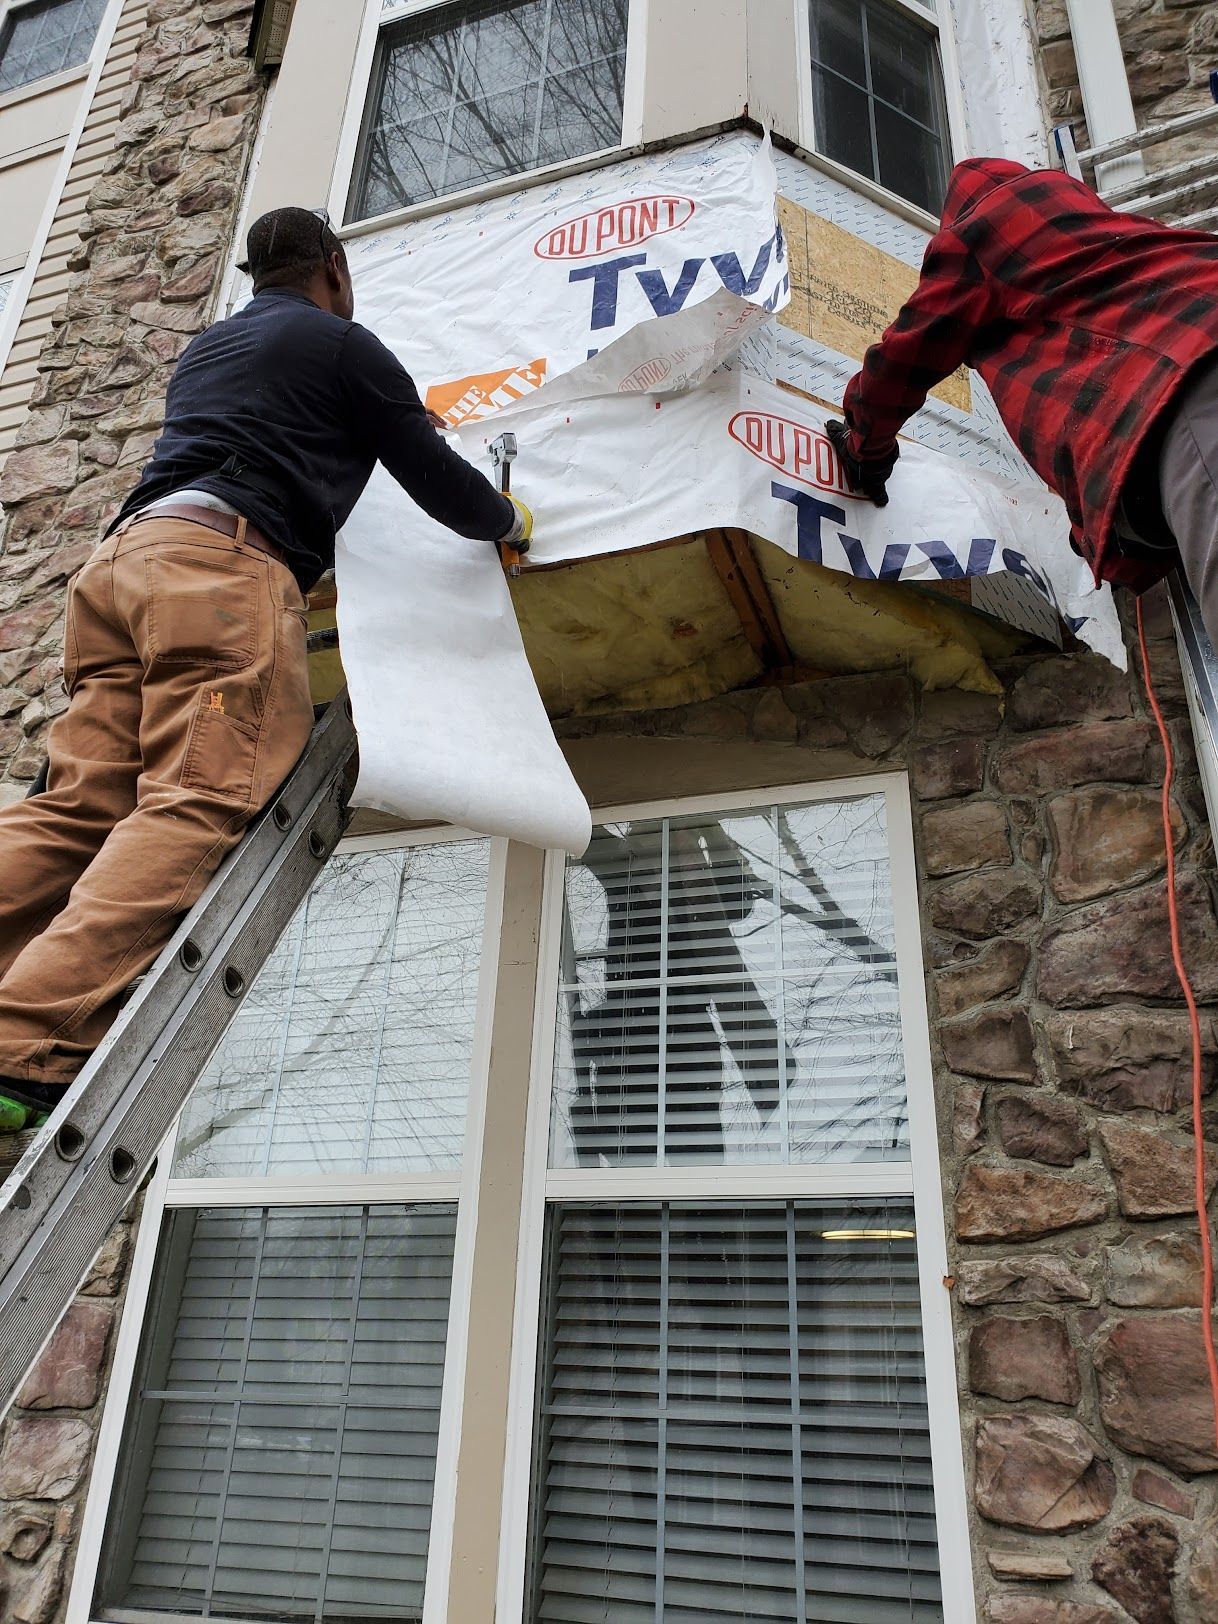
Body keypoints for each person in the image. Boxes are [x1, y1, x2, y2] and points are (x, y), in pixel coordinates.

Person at [0, 206, 530, 1130]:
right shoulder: (341, 344)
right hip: (219, 571)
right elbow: (436, 475)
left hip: (121, 567)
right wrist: (510, 521)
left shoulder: (208, 350)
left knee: (77, 809)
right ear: (334, 267)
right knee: (199, 798)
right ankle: (21, 1042)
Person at [825, 156, 1218, 651]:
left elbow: (904, 356)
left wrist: (865, 447)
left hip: (1192, 377)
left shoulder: (982, 234)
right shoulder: (1108, 233)